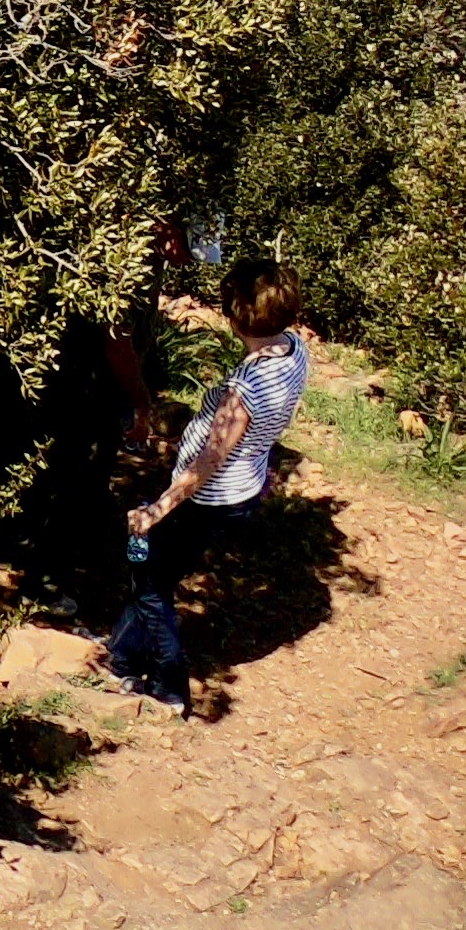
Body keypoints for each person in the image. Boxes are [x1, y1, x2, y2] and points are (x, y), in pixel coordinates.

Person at [101, 258, 312, 716]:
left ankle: (168, 687)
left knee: (150, 580)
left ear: (235, 317)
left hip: (210, 497)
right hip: (244, 486)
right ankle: (120, 655)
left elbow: (210, 461)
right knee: (161, 569)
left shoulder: (244, 389)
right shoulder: (294, 349)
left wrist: (159, 507)